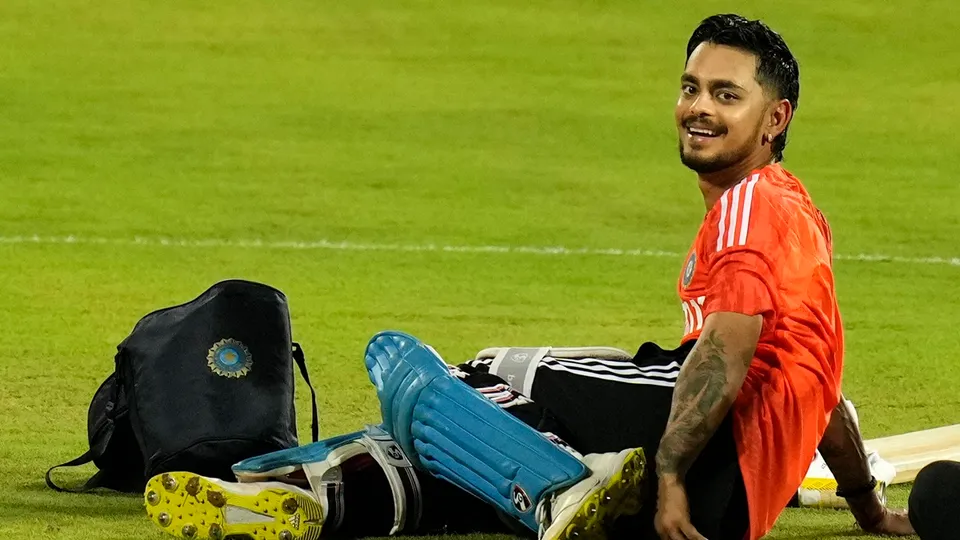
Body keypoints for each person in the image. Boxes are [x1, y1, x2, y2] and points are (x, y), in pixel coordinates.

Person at [141, 13, 915, 540]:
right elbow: (825, 391)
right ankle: (305, 494)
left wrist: (675, 471)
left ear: (774, 119)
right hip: (734, 504)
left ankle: (559, 488)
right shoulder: (793, 215)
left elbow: (723, 354)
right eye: (689, 87)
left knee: (457, 371)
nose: (697, 108)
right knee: (465, 466)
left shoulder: (754, 204)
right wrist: (867, 506)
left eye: (725, 94)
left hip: (715, 461)